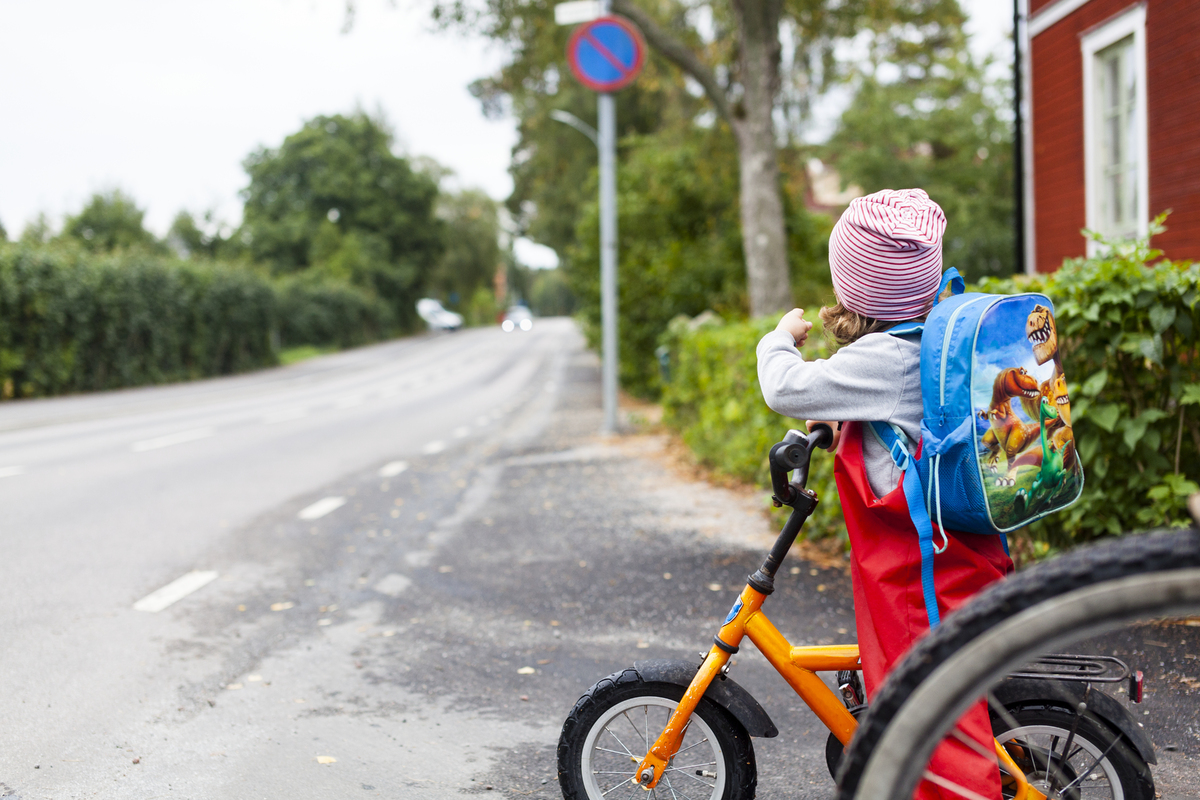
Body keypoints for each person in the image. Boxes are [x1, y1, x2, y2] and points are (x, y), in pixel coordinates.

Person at [756, 189, 1013, 799]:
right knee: (938, 689)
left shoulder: (883, 359)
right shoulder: (933, 340)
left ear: (856, 288)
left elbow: (785, 388)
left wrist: (779, 337)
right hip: (966, 545)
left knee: (924, 707)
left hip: (914, 566)